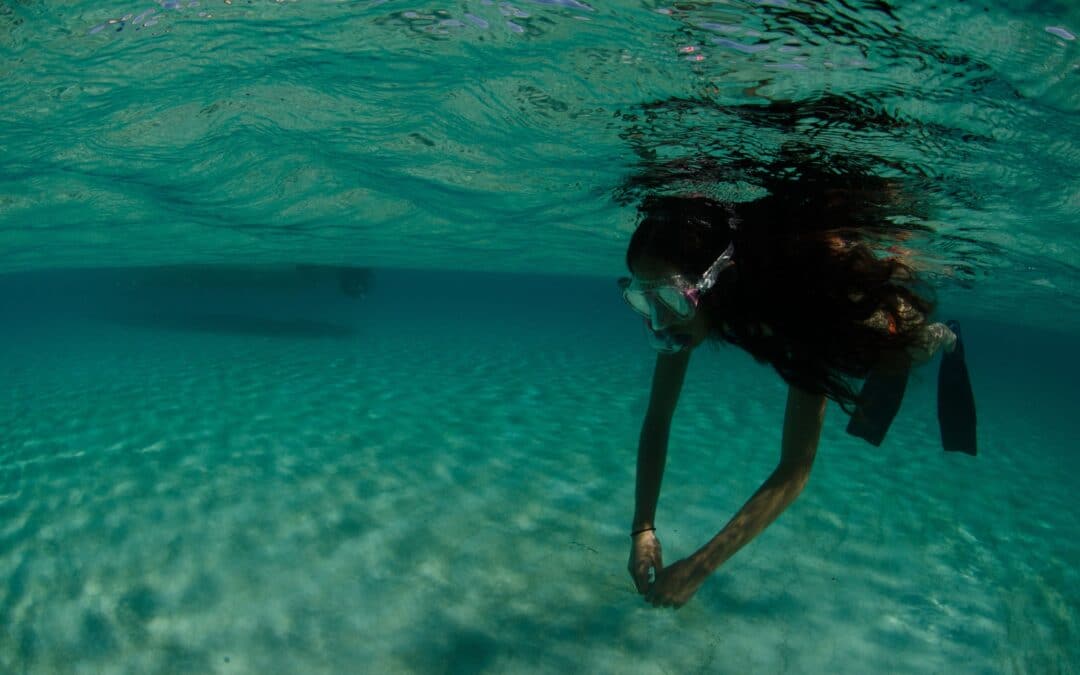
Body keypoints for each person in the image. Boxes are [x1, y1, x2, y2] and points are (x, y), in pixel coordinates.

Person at [620, 172, 977, 609]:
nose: (657, 322)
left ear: (714, 284)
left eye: (668, 301)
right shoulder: (684, 309)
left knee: (900, 352)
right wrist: (643, 528)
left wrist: (698, 567)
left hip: (865, 321)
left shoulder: (798, 308)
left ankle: (946, 338)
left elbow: (795, 468)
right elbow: (657, 418)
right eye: (642, 301)